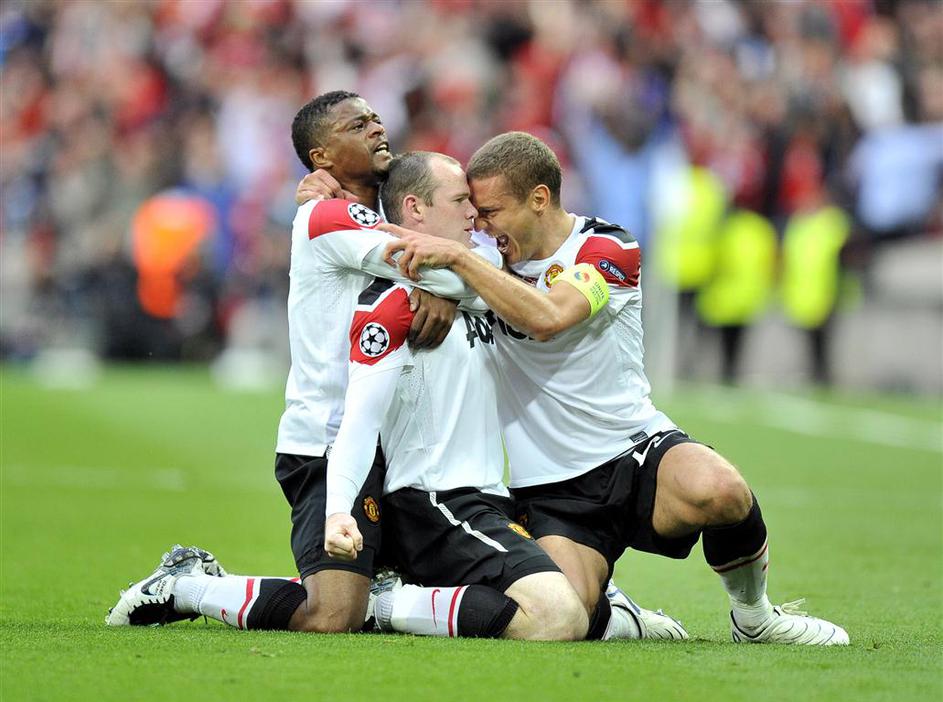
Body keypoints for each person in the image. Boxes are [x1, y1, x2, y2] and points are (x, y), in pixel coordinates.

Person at [380, 132, 849, 645]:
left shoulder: (606, 247)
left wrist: (457, 264)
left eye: (491, 211)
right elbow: (399, 243)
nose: (481, 225)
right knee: (564, 616)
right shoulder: (487, 263)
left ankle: (755, 618)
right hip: (552, 486)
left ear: (539, 199)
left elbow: (549, 317)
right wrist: (337, 196)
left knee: (722, 490)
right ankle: (621, 615)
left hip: (635, 449)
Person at [106, 91, 479, 632]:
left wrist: (447, 285)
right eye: (358, 125)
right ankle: (187, 585)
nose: (377, 128)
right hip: (327, 438)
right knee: (332, 613)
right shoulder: (327, 215)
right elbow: (439, 269)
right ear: (321, 157)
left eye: (376, 119)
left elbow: (449, 259)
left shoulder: (382, 212)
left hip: (389, 439)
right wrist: (449, 287)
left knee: (433, 574)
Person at [322, 150, 588, 640]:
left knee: (587, 605)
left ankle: (629, 619)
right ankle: (386, 603)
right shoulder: (394, 302)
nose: (474, 214)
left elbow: (494, 276)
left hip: (491, 499)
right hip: (435, 500)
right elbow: (359, 420)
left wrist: (449, 283)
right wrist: (338, 509)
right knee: (557, 617)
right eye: (460, 200)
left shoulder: (478, 279)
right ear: (415, 208)